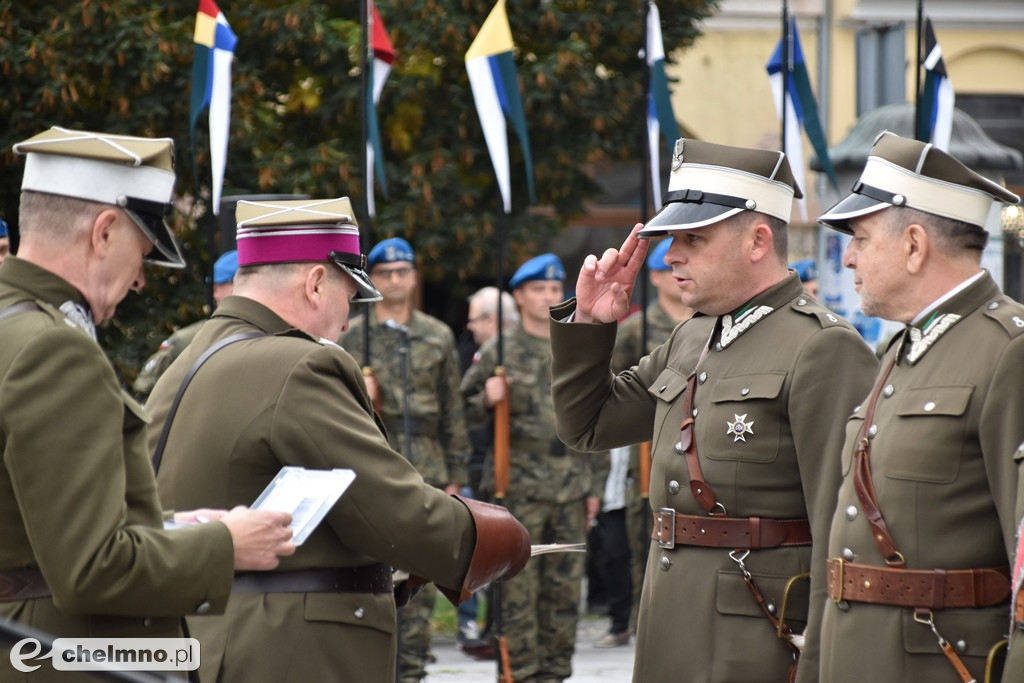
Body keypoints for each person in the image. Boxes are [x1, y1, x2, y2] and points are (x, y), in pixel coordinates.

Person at [147, 196, 530, 683]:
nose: (347, 322)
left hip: (204, 642)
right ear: (315, 283)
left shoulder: (188, 355)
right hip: (285, 653)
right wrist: (500, 542)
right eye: (348, 297)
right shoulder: (298, 363)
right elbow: (392, 511)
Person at [548, 138, 879, 683]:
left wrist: (824, 663)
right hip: (668, 623)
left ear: (756, 240)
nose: (671, 253)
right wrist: (590, 324)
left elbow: (840, 533)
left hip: (755, 639)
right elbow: (587, 425)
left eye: (693, 239)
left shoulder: (822, 346)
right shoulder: (693, 336)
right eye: (672, 237)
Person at [0, 127, 294, 678]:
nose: (139, 281)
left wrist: (171, 526)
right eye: (143, 253)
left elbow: (33, 521)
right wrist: (224, 543)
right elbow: (91, 569)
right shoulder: (56, 350)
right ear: (105, 232)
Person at [814, 132, 1024, 682]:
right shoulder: (902, 348)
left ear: (913, 244)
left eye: (859, 237)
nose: (850, 256)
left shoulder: (1009, 351)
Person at [462, 253, 607, 683]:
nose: (547, 295)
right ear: (519, 297)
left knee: (563, 593)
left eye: (553, 288)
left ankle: (554, 673)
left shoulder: (575, 346)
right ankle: (519, 673)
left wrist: (595, 486)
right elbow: (461, 414)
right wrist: (486, 399)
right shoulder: (498, 350)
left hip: (569, 484)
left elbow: (598, 418)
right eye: (538, 289)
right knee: (518, 593)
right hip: (517, 488)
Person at [339, 236, 472, 682]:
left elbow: (452, 407)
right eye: (384, 274)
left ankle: (413, 668)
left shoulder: (435, 334)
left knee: (421, 576)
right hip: (377, 457)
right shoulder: (353, 336)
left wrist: (456, 476)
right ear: (371, 280)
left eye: (402, 272)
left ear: (414, 277)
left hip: (429, 463)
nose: (394, 281)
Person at [590, 237, 694, 648]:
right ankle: (638, 620)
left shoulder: (708, 323)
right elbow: (612, 395)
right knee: (641, 541)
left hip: (697, 451)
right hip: (647, 452)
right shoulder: (637, 328)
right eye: (667, 269)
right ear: (654, 276)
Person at [457, 285, 519, 659]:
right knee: (482, 546)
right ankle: (481, 622)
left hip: (517, 468)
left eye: (476, 318)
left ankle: (498, 627)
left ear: (492, 320)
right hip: (483, 462)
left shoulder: (521, 350)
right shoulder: (481, 357)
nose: (469, 325)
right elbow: (463, 403)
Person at [133, 249, 239, 399]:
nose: (215, 294)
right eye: (216, 287)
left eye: (219, 286)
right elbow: (146, 395)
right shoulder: (187, 341)